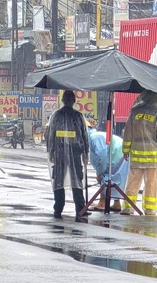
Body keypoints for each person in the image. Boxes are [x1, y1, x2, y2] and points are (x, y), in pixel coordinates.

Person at [121, 90, 157, 216]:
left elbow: (128, 133)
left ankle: (128, 208)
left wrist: (125, 150)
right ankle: (150, 210)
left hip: (136, 155)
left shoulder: (135, 112)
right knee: (151, 184)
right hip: (152, 156)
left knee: (132, 183)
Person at [46, 90, 90, 222]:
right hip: (76, 152)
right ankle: (80, 209)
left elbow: (50, 135)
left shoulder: (56, 116)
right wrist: (86, 153)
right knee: (77, 181)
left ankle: (58, 209)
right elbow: (84, 136)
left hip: (59, 153)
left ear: (63, 100)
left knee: (59, 181)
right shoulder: (78, 116)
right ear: (74, 101)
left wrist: (51, 151)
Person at [88, 128, 129, 212]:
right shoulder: (95, 136)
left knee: (106, 178)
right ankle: (116, 203)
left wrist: (99, 173)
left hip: (117, 154)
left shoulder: (94, 138)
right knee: (115, 178)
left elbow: (102, 157)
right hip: (119, 153)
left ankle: (102, 203)